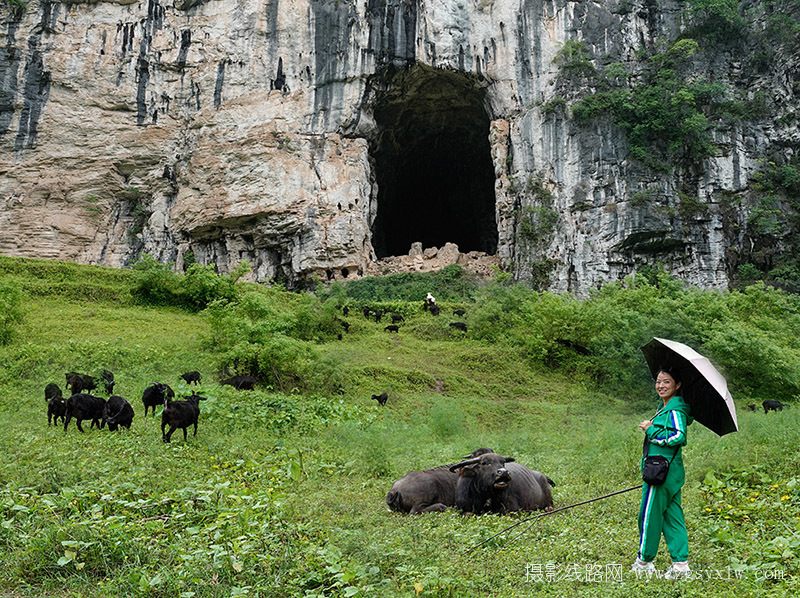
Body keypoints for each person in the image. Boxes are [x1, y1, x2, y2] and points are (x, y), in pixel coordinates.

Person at [632, 367, 694, 579]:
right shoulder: (665, 408)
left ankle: (644, 562)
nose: (661, 386)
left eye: (667, 381)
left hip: (661, 471)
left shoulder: (675, 410)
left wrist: (650, 429)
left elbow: (678, 436)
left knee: (649, 515)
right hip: (668, 470)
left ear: (677, 385)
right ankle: (680, 565)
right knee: (672, 516)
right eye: (658, 381)